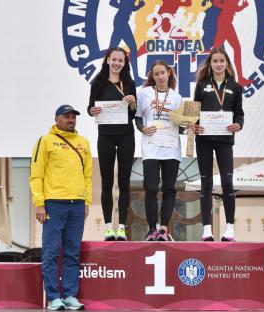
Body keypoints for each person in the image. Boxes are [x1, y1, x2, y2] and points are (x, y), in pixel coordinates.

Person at [30, 105, 92, 310]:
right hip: (54, 204)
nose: (71, 120)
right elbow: (36, 174)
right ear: (57, 119)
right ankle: (53, 298)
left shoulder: (83, 143)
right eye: (66, 116)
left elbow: (88, 176)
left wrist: (87, 202)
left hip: (77, 204)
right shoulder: (45, 141)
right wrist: (39, 203)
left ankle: (70, 296)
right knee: (51, 251)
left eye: (73, 117)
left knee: (73, 252)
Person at [191, 47, 244, 242]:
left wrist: (239, 124)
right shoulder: (202, 85)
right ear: (210, 64)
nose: (219, 64)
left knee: (227, 182)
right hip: (204, 139)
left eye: (222, 61)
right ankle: (207, 229)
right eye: (215, 61)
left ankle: (230, 227)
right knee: (206, 183)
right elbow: (195, 112)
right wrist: (195, 126)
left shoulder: (235, 87)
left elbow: (239, 113)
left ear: (227, 64)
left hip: (224, 139)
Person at [88, 47, 137, 241]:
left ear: (125, 64)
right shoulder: (98, 82)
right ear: (107, 60)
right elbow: (90, 106)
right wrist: (92, 111)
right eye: (114, 59)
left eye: (121, 61)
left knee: (124, 183)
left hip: (126, 136)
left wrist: (133, 102)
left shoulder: (130, 83)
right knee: (107, 182)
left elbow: (134, 113)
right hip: (105, 136)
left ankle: (122, 227)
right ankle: (108, 227)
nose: (117, 63)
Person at [135, 60, 182, 241]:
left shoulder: (177, 98)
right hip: (152, 148)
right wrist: (142, 128)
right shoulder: (145, 94)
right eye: (156, 74)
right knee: (151, 188)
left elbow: (180, 125)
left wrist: (188, 126)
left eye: (163, 72)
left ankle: (163, 229)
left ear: (169, 73)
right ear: (152, 77)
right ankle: (151, 228)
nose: (160, 76)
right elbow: (138, 118)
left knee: (169, 189)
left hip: (171, 148)